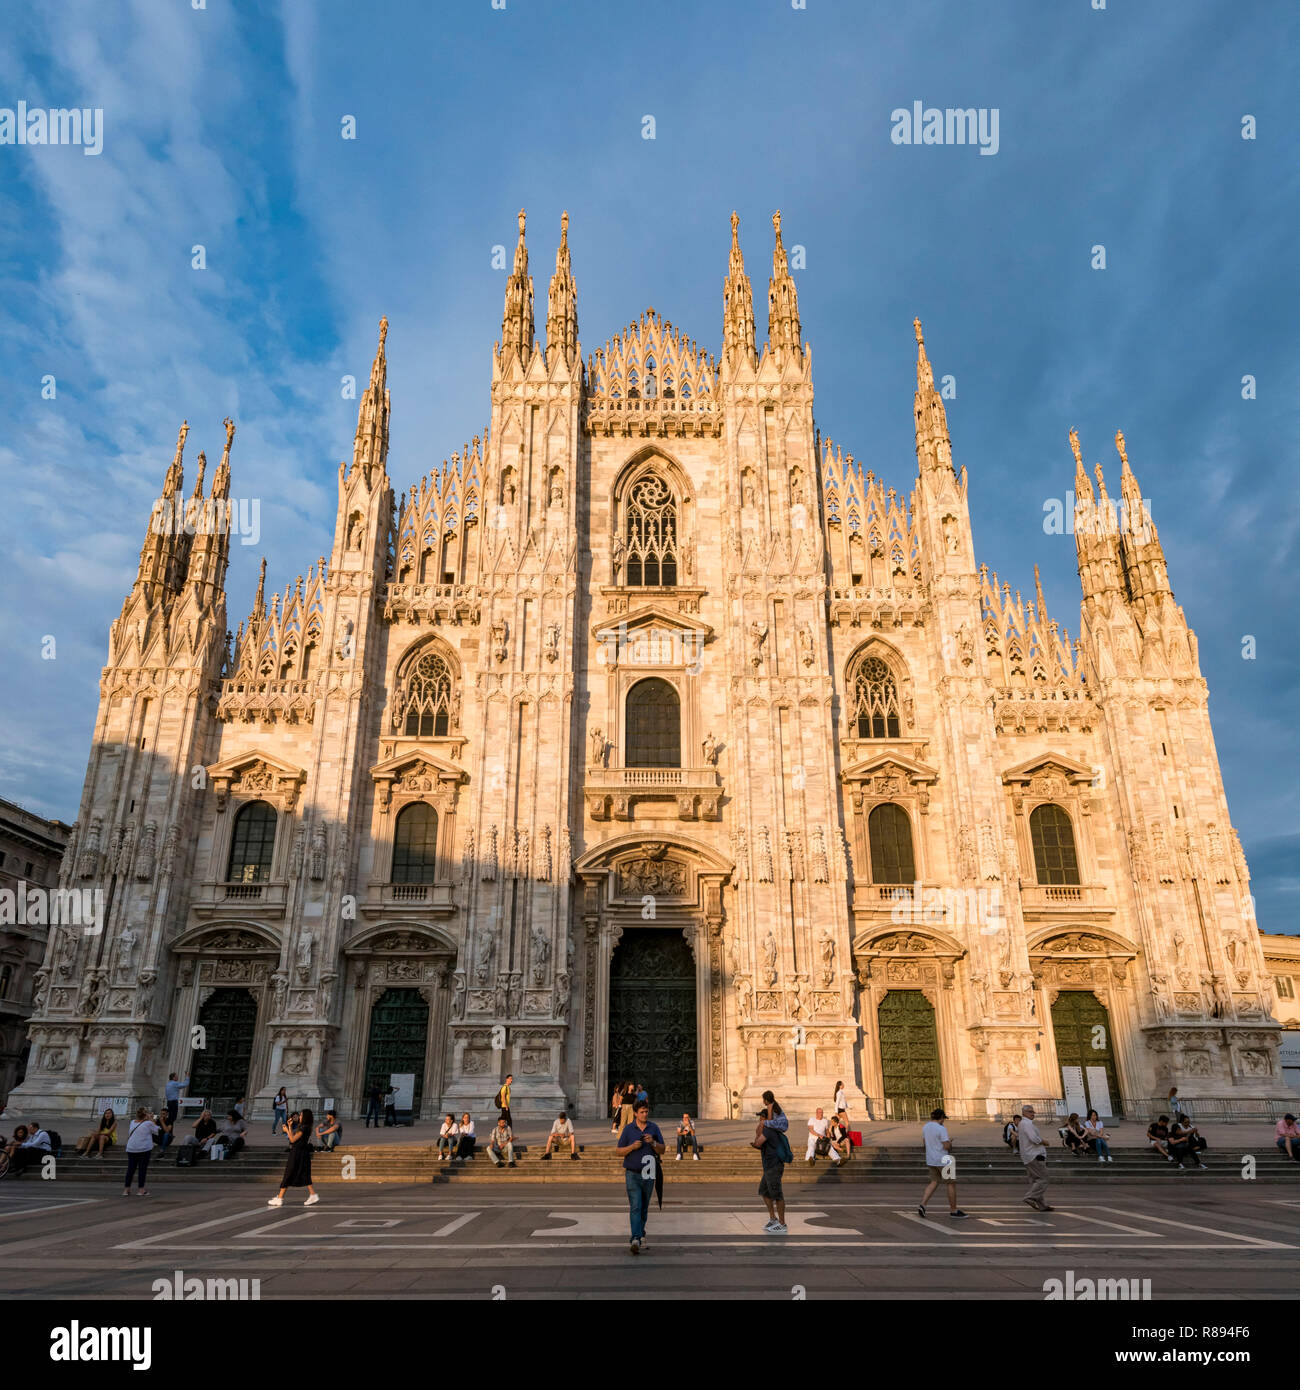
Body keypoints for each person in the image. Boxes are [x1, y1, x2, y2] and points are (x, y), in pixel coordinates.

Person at [616, 1098, 664, 1255]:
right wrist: (632, 1147)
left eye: (646, 1111)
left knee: (643, 1208)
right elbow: (618, 1151)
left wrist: (653, 1143)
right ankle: (636, 1237)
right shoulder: (629, 1130)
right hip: (632, 1173)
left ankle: (640, 1233)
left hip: (649, 1172)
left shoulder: (654, 1128)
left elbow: (662, 1150)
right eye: (642, 1112)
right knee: (636, 1205)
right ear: (635, 1113)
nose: (645, 1114)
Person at [918, 1107, 968, 1219]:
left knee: (934, 1182)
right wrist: (950, 1143)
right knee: (951, 1184)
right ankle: (953, 1210)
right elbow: (946, 1146)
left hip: (931, 1159)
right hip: (944, 1159)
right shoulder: (941, 1129)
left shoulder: (925, 1127)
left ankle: (923, 1204)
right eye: (943, 1119)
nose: (944, 1121)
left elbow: (924, 1142)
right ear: (941, 1117)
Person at [752, 1090, 791, 1235]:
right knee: (764, 1191)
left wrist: (761, 1125)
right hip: (769, 1166)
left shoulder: (768, 1131)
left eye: (760, 1118)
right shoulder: (769, 1128)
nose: (759, 1120)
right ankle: (773, 1218)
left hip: (774, 1166)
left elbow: (757, 1143)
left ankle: (782, 1223)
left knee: (777, 1194)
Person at [268, 1109, 319, 1207]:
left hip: (297, 1153)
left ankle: (280, 1198)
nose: (299, 1117)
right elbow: (294, 1138)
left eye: (301, 1115)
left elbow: (292, 1139)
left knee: (289, 1173)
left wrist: (286, 1130)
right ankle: (312, 1194)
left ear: (305, 1117)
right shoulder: (306, 1127)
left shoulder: (303, 1128)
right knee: (304, 1173)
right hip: (302, 1152)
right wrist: (290, 1126)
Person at [1017, 1105, 1053, 1211]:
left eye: (1033, 1112)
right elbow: (1034, 1138)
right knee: (1044, 1179)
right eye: (1030, 1112)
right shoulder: (1026, 1124)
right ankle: (1030, 1197)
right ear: (1023, 1113)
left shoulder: (1023, 1124)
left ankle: (1042, 1205)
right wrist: (1044, 1141)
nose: (1032, 1113)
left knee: (1037, 1180)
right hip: (1034, 1155)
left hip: (1028, 1156)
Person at [123, 1108, 160, 1196]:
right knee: (142, 1169)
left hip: (131, 1148)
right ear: (145, 1114)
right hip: (143, 1149)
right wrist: (152, 1119)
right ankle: (141, 1190)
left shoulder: (132, 1122)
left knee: (130, 1169)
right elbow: (156, 1131)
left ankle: (126, 1189)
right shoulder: (148, 1123)